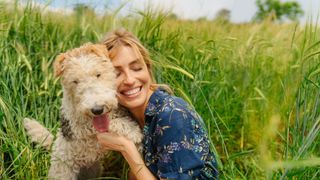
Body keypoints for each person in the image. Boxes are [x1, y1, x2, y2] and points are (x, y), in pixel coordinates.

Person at [97, 28, 218, 180]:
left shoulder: (172, 116)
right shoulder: (126, 114)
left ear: (148, 68)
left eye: (136, 68)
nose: (129, 80)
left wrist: (126, 148)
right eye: (116, 73)